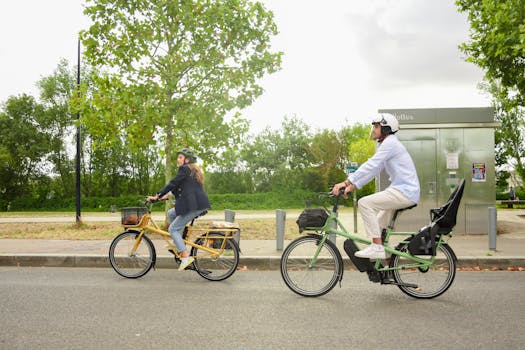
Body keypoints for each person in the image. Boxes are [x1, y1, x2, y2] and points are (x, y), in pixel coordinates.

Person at [332, 113, 420, 259]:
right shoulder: (388, 144)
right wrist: (353, 185)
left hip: (405, 191)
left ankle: (377, 248)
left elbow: (371, 164)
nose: (373, 129)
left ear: (386, 128)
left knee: (364, 203)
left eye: (377, 126)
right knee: (378, 224)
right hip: (402, 190)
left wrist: (346, 182)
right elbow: (374, 170)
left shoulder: (390, 143)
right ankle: (383, 257)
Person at [146, 148, 210, 271]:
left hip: (193, 206)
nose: (178, 159)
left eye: (180, 157)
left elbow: (173, 183)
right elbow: (178, 188)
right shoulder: (191, 171)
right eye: (178, 157)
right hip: (195, 204)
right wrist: (161, 197)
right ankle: (179, 244)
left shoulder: (185, 169)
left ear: (187, 160)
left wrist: (157, 195)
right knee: (171, 213)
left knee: (173, 228)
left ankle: (185, 257)